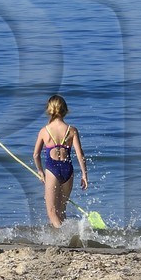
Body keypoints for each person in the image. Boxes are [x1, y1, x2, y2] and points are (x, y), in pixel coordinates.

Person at [33, 95, 89, 227]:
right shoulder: (72, 130)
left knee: (52, 211)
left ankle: (63, 235)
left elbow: (36, 155)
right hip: (68, 170)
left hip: (52, 170)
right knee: (62, 210)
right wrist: (84, 174)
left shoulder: (44, 131)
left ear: (49, 110)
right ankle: (64, 234)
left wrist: (40, 171)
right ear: (65, 110)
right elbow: (80, 154)